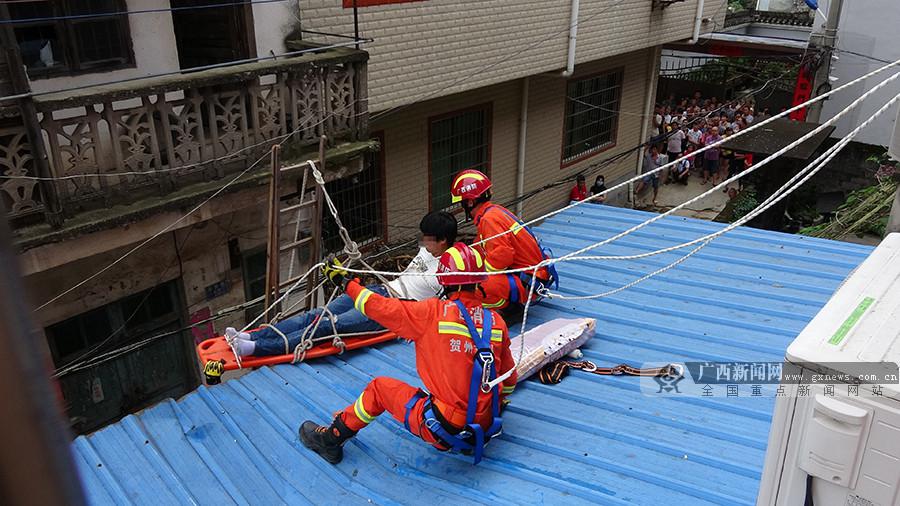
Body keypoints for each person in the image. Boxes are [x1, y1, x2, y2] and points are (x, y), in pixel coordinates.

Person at [299, 243, 517, 465]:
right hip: (486, 425)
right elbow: (509, 379)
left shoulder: (432, 313)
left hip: (446, 429)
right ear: (478, 281)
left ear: (444, 281)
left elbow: (377, 306)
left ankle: (330, 439)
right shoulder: (496, 322)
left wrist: (346, 283)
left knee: (379, 389)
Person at [224, 211, 457, 357]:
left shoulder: (449, 271)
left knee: (328, 325)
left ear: (443, 240)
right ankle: (252, 337)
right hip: (379, 290)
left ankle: (253, 349)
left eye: (427, 237)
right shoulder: (427, 250)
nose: (423, 241)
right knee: (315, 314)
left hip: (394, 312)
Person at [450, 169, 557, 323]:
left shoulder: (488, 220)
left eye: (462, 202)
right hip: (535, 276)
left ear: (470, 202)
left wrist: (474, 274)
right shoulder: (494, 212)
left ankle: (509, 309)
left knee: (475, 287)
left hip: (530, 283)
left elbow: (502, 257)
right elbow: (480, 246)